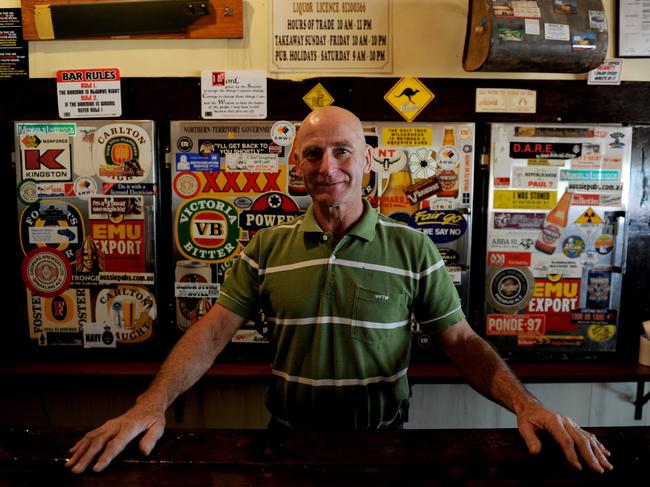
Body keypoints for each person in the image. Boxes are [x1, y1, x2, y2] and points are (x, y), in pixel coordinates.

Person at [66, 106, 612, 474]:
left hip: (386, 444)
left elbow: (462, 343)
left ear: (368, 160)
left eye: (343, 152)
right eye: (313, 153)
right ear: (295, 164)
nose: (328, 168)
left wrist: (527, 404)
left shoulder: (412, 249)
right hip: (285, 443)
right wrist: (150, 405)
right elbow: (209, 335)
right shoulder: (264, 250)